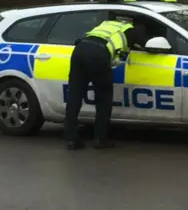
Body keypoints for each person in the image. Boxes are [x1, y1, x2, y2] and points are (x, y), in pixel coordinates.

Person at [64, 16, 149, 150]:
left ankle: (71, 139)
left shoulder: (106, 24)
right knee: (103, 99)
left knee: (75, 94)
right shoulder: (132, 30)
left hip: (80, 49)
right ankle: (100, 139)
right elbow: (145, 45)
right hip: (98, 54)